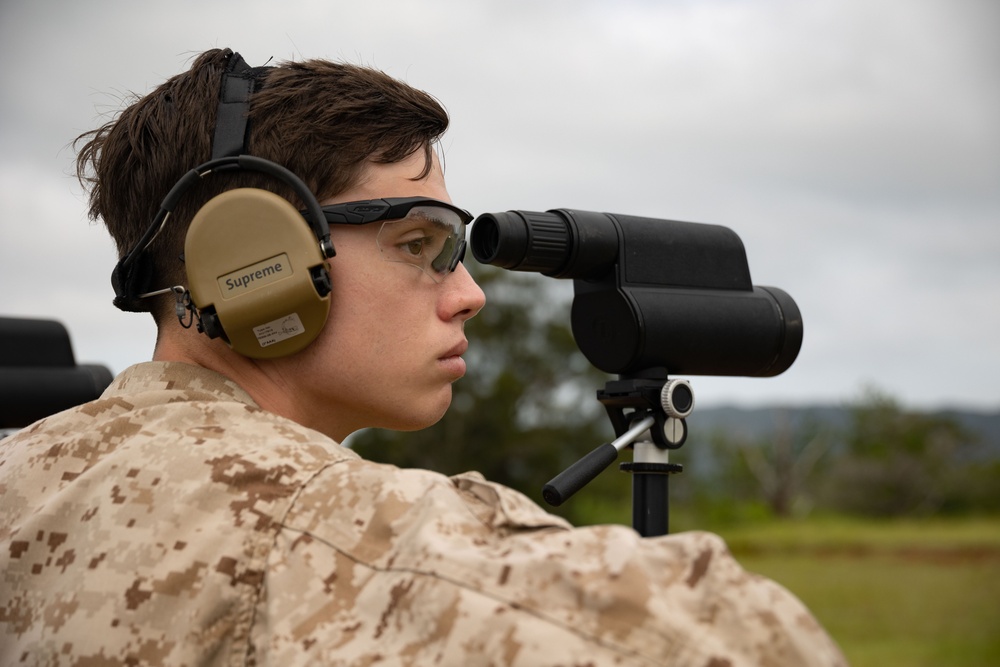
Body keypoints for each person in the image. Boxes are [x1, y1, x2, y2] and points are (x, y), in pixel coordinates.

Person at [0, 48, 847, 666]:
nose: (469, 292)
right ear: (250, 259)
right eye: (419, 243)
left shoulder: (22, 473)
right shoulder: (334, 530)